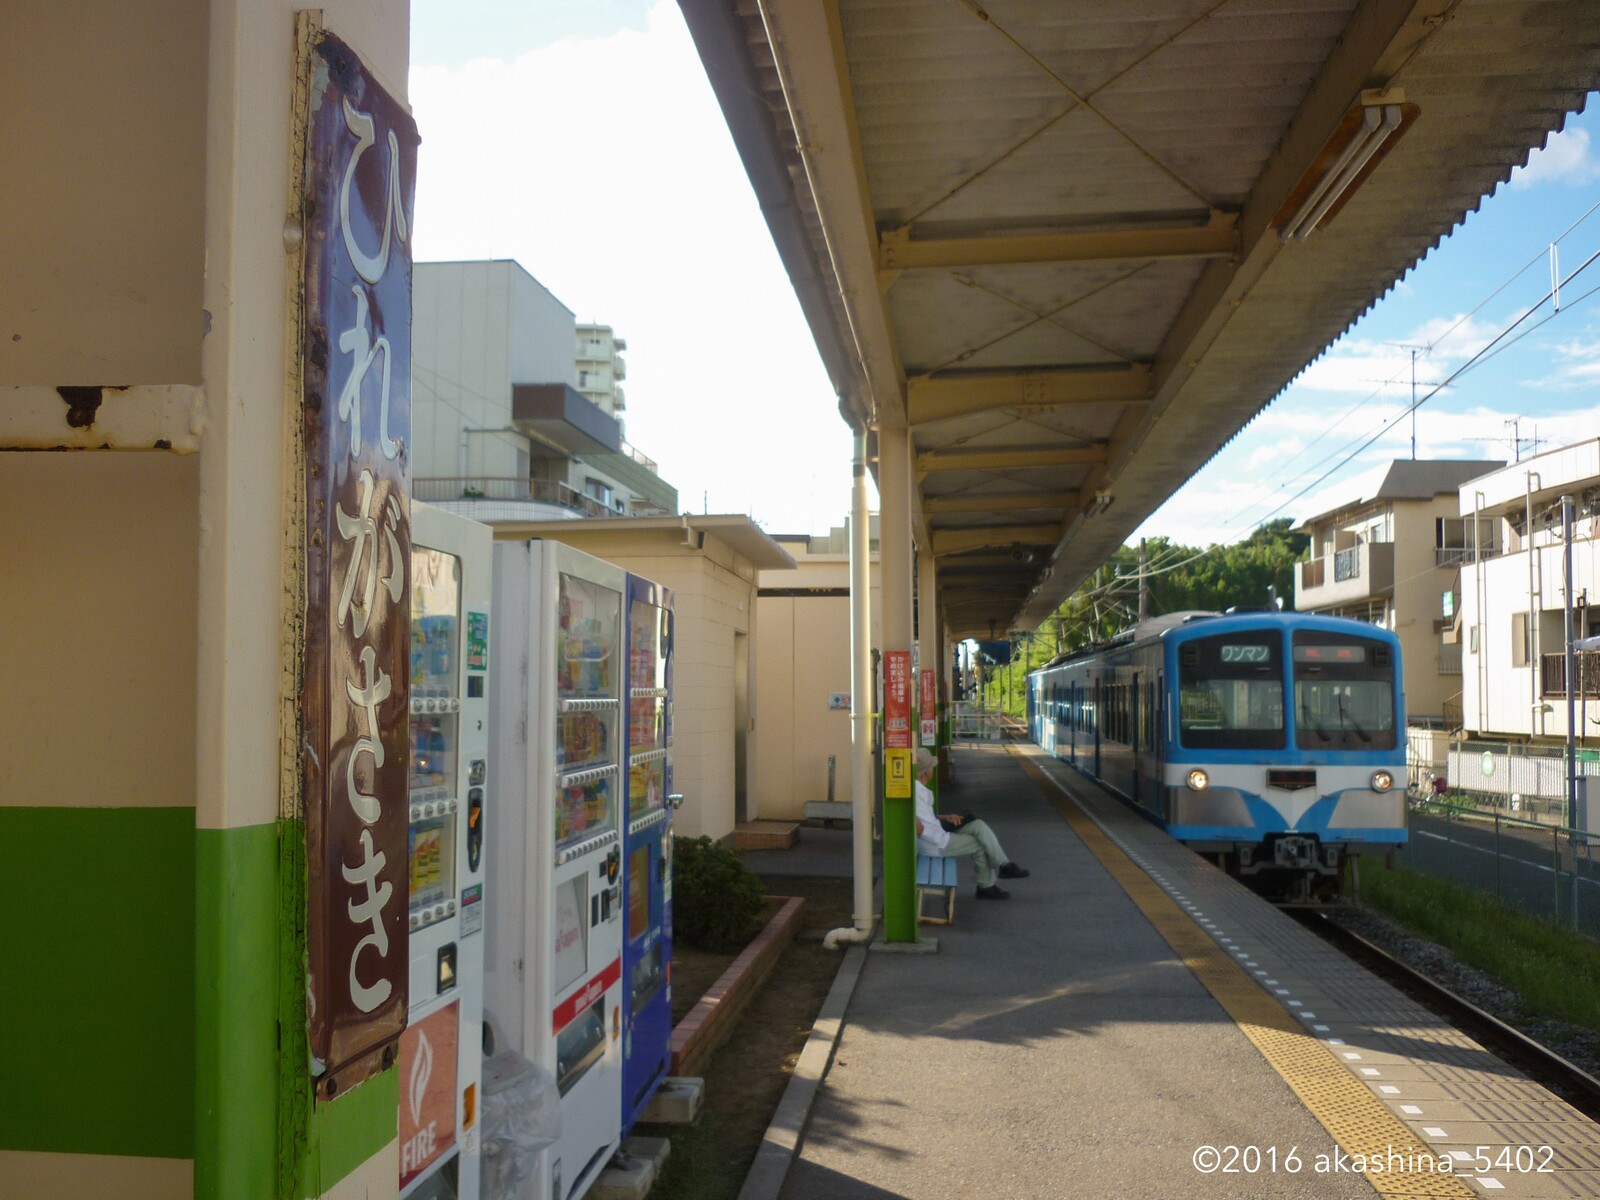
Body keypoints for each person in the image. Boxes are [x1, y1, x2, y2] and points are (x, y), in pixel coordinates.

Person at [912, 747, 1028, 899]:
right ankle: (987, 886)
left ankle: (1004, 866)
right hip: (935, 843)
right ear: (926, 772)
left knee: (977, 825)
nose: (934, 768)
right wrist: (932, 830)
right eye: (932, 767)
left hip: (937, 834)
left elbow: (925, 817)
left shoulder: (918, 789)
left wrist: (945, 817)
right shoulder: (914, 792)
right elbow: (918, 828)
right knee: (980, 844)